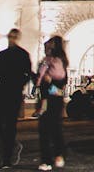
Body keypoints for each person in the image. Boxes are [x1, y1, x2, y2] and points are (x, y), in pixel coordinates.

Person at [0, 28, 32, 170]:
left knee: (9, 124)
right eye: (10, 36)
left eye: (15, 37)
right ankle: (10, 144)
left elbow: (28, 72)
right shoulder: (2, 54)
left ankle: (6, 157)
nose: (12, 39)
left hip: (14, 92)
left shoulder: (23, 54)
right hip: (3, 92)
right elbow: (0, 71)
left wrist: (20, 84)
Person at [35, 35, 68, 171]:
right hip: (52, 98)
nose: (47, 47)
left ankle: (49, 159)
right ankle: (57, 155)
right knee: (53, 128)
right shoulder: (59, 61)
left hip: (49, 99)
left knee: (46, 129)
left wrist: (46, 81)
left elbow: (44, 79)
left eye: (49, 45)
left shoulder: (53, 61)